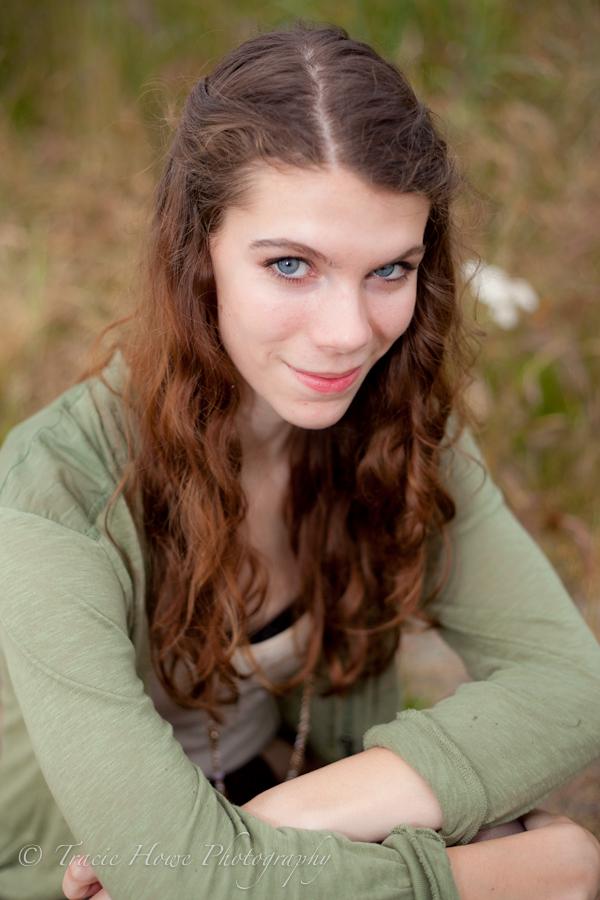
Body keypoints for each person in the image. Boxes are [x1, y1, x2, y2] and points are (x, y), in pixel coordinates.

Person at [0, 21, 599, 900]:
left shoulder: (394, 431)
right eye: (291, 265)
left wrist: (269, 824)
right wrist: (487, 880)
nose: (349, 333)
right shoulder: (51, 499)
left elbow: (571, 687)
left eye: (389, 270)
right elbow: (159, 883)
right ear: (196, 254)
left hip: (238, 820)